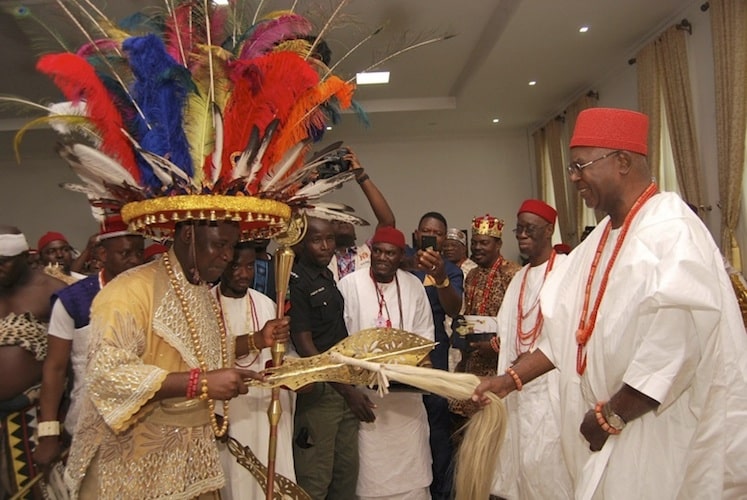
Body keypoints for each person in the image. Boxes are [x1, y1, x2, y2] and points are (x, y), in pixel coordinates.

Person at [473, 108, 747, 498]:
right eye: (570, 166)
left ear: (622, 161)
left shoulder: (672, 231)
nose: (572, 177)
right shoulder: (599, 239)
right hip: (611, 428)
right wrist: (506, 381)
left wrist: (610, 416)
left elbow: (673, 351)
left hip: (660, 427)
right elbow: (561, 335)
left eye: (580, 165)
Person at [63, 219, 267, 499]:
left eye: (231, 246)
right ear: (187, 235)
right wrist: (200, 383)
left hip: (191, 458)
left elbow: (198, 350)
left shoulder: (198, 289)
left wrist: (257, 341)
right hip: (134, 463)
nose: (228, 256)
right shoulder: (130, 290)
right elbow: (108, 376)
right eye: (220, 244)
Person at [33, 215, 145, 473]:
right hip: (88, 427)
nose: (135, 261)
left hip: (144, 428)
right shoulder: (73, 300)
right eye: (125, 253)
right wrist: (48, 432)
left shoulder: (154, 295)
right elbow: (55, 367)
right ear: (102, 255)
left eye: (139, 252)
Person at [338, 226, 435, 500]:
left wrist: (419, 369)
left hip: (406, 401)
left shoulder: (413, 285)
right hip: (366, 398)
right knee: (370, 478)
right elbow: (339, 341)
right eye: (377, 251)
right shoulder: (350, 285)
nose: (381, 258)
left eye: (389, 253)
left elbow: (425, 338)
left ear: (400, 256)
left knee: (412, 480)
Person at [491, 200, 572, 499]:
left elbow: (568, 331)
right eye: (519, 229)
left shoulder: (567, 271)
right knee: (521, 469)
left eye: (530, 229)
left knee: (552, 472)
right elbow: (506, 328)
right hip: (518, 394)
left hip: (552, 394)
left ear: (550, 230)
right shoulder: (519, 279)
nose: (522, 235)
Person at [289, 217, 375, 499]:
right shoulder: (298, 282)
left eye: (330, 239)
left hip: (344, 386)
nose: (326, 246)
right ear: (302, 243)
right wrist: (346, 390)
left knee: (345, 479)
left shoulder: (327, 276)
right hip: (322, 391)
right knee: (315, 482)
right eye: (317, 240)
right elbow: (305, 345)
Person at [213, 241, 294, 499]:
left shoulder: (267, 304)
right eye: (235, 266)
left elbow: (275, 360)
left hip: (264, 410)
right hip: (227, 411)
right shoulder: (205, 304)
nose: (243, 274)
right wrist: (256, 339)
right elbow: (205, 355)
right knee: (235, 482)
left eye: (250, 266)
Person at [0, 226, 66, 498]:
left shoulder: (54, 291)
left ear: (26, 257)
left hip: (33, 417)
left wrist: (50, 431)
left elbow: (68, 364)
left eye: (4, 262)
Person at [408, 211, 464, 500]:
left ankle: (442, 493)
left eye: (438, 233)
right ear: (417, 234)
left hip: (436, 350)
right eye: (426, 231)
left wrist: (440, 276)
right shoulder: (403, 262)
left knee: (437, 423)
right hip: (403, 351)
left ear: (444, 239)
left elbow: (455, 309)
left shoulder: (451, 269)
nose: (432, 236)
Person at [329, 149, 395, 282]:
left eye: (347, 219)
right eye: (335, 220)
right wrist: (308, 182)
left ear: (355, 234)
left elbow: (387, 222)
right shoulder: (320, 256)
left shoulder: (371, 252)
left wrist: (361, 175)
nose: (342, 221)